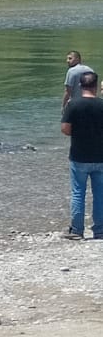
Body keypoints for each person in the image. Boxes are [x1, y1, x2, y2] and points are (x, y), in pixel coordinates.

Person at [61, 68, 103, 238]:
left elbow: (65, 129)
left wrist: (79, 132)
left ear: (80, 85)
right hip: (101, 156)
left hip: (79, 155)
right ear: (96, 86)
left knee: (78, 192)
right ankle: (100, 230)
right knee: (100, 193)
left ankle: (77, 230)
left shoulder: (73, 104)